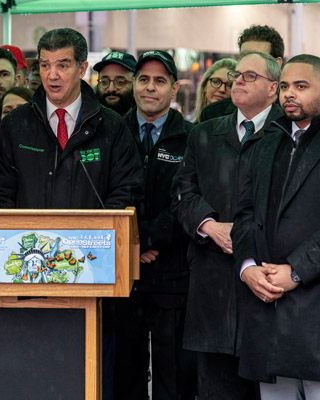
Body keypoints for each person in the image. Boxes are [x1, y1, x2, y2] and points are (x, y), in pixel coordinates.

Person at [172, 51, 282, 400]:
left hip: (267, 288)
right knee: (216, 389)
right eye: (237, 73)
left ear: (273, 89)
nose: (238, 80)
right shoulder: (205, 133)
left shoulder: (287, 134)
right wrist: (209, 225)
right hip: (213, 288)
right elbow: (181, 191)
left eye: (250, 76)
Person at [231, 54, 320, 400]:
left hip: (313, 306)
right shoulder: (268, 142)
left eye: (301, 86)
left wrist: (296, 271)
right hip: (267, 305)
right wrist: (247, 267)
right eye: (284, 87)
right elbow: (244, 214)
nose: (289, 95)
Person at [112, 50, 196, 400]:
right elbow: (105, 193)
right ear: (134, 84)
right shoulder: (111, 131)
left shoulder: (193, 137)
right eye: (144, 79)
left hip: (171, 273)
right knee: (124, 373)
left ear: (174, 88)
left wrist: (145, 240)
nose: (150, 87)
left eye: (160, 81)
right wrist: (131, 246)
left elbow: (187, 201)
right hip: (122, 274)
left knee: (172, 376)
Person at [0, 27, 142, 210]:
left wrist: (96, 232)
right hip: (30, 237)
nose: (52, 76)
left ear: (82, 69)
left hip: (91, 237)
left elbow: (127, 190)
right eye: (45, 65)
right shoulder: (14, 124)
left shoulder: (112, 126)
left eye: (62, 66)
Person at [200, 24, 284, 122]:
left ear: (277, 64)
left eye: (257, 57)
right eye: (244, 56)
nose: (248, 62)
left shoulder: (291, 116)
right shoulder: (214, 113)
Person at [191, 58, 237, 123]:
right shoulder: (190, 130)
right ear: (204, 86)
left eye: (230, 85)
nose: (222, 89)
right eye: (216, 81)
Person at [93, 51, 136, 117]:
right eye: (104, 82)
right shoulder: (83, 122)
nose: (111, 89)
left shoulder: (145, 124)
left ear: (135, 84)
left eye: (120, 82)